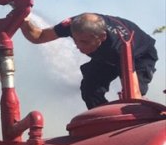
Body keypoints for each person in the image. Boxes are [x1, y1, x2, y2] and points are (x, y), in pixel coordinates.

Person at [21, 12, 158, 108]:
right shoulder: (72, 25)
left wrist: (133, 100)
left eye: (85, 42)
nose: (79, 47)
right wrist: (23, 19)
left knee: (132, 99)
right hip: (106, 57)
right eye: (75, 40)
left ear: (102, 37)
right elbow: (38, 37)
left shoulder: (119, 46)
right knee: (89, 89)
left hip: (140, 56)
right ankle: (103, 124)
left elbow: (134, 94)